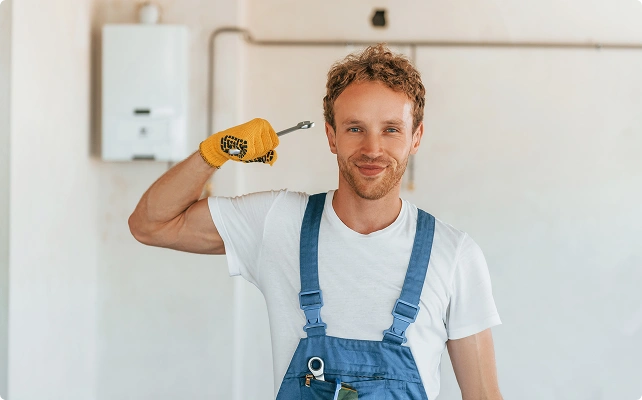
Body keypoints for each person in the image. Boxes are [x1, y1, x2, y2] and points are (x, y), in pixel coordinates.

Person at [129, 44, 503, 400]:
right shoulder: (278, 222)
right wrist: (215, 153)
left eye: (391, 129)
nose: (372, 149)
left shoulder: (454, 254)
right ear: (331, 136)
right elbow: (151, 224)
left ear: (415, 137)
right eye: (355, 128)